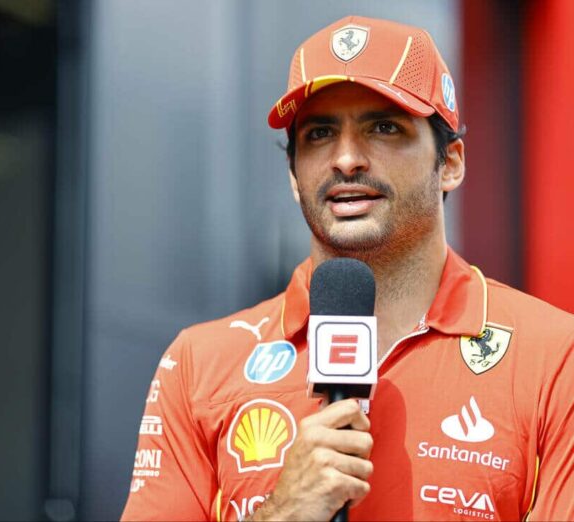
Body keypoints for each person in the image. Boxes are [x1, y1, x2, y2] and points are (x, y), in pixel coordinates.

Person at [121, 15, 574, 521]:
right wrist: (285, 513)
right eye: (320, 133)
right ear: (293, 175)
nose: (346, 159)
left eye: (384, 127)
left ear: (450, 163)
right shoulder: (198, 363)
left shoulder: (556, 357)